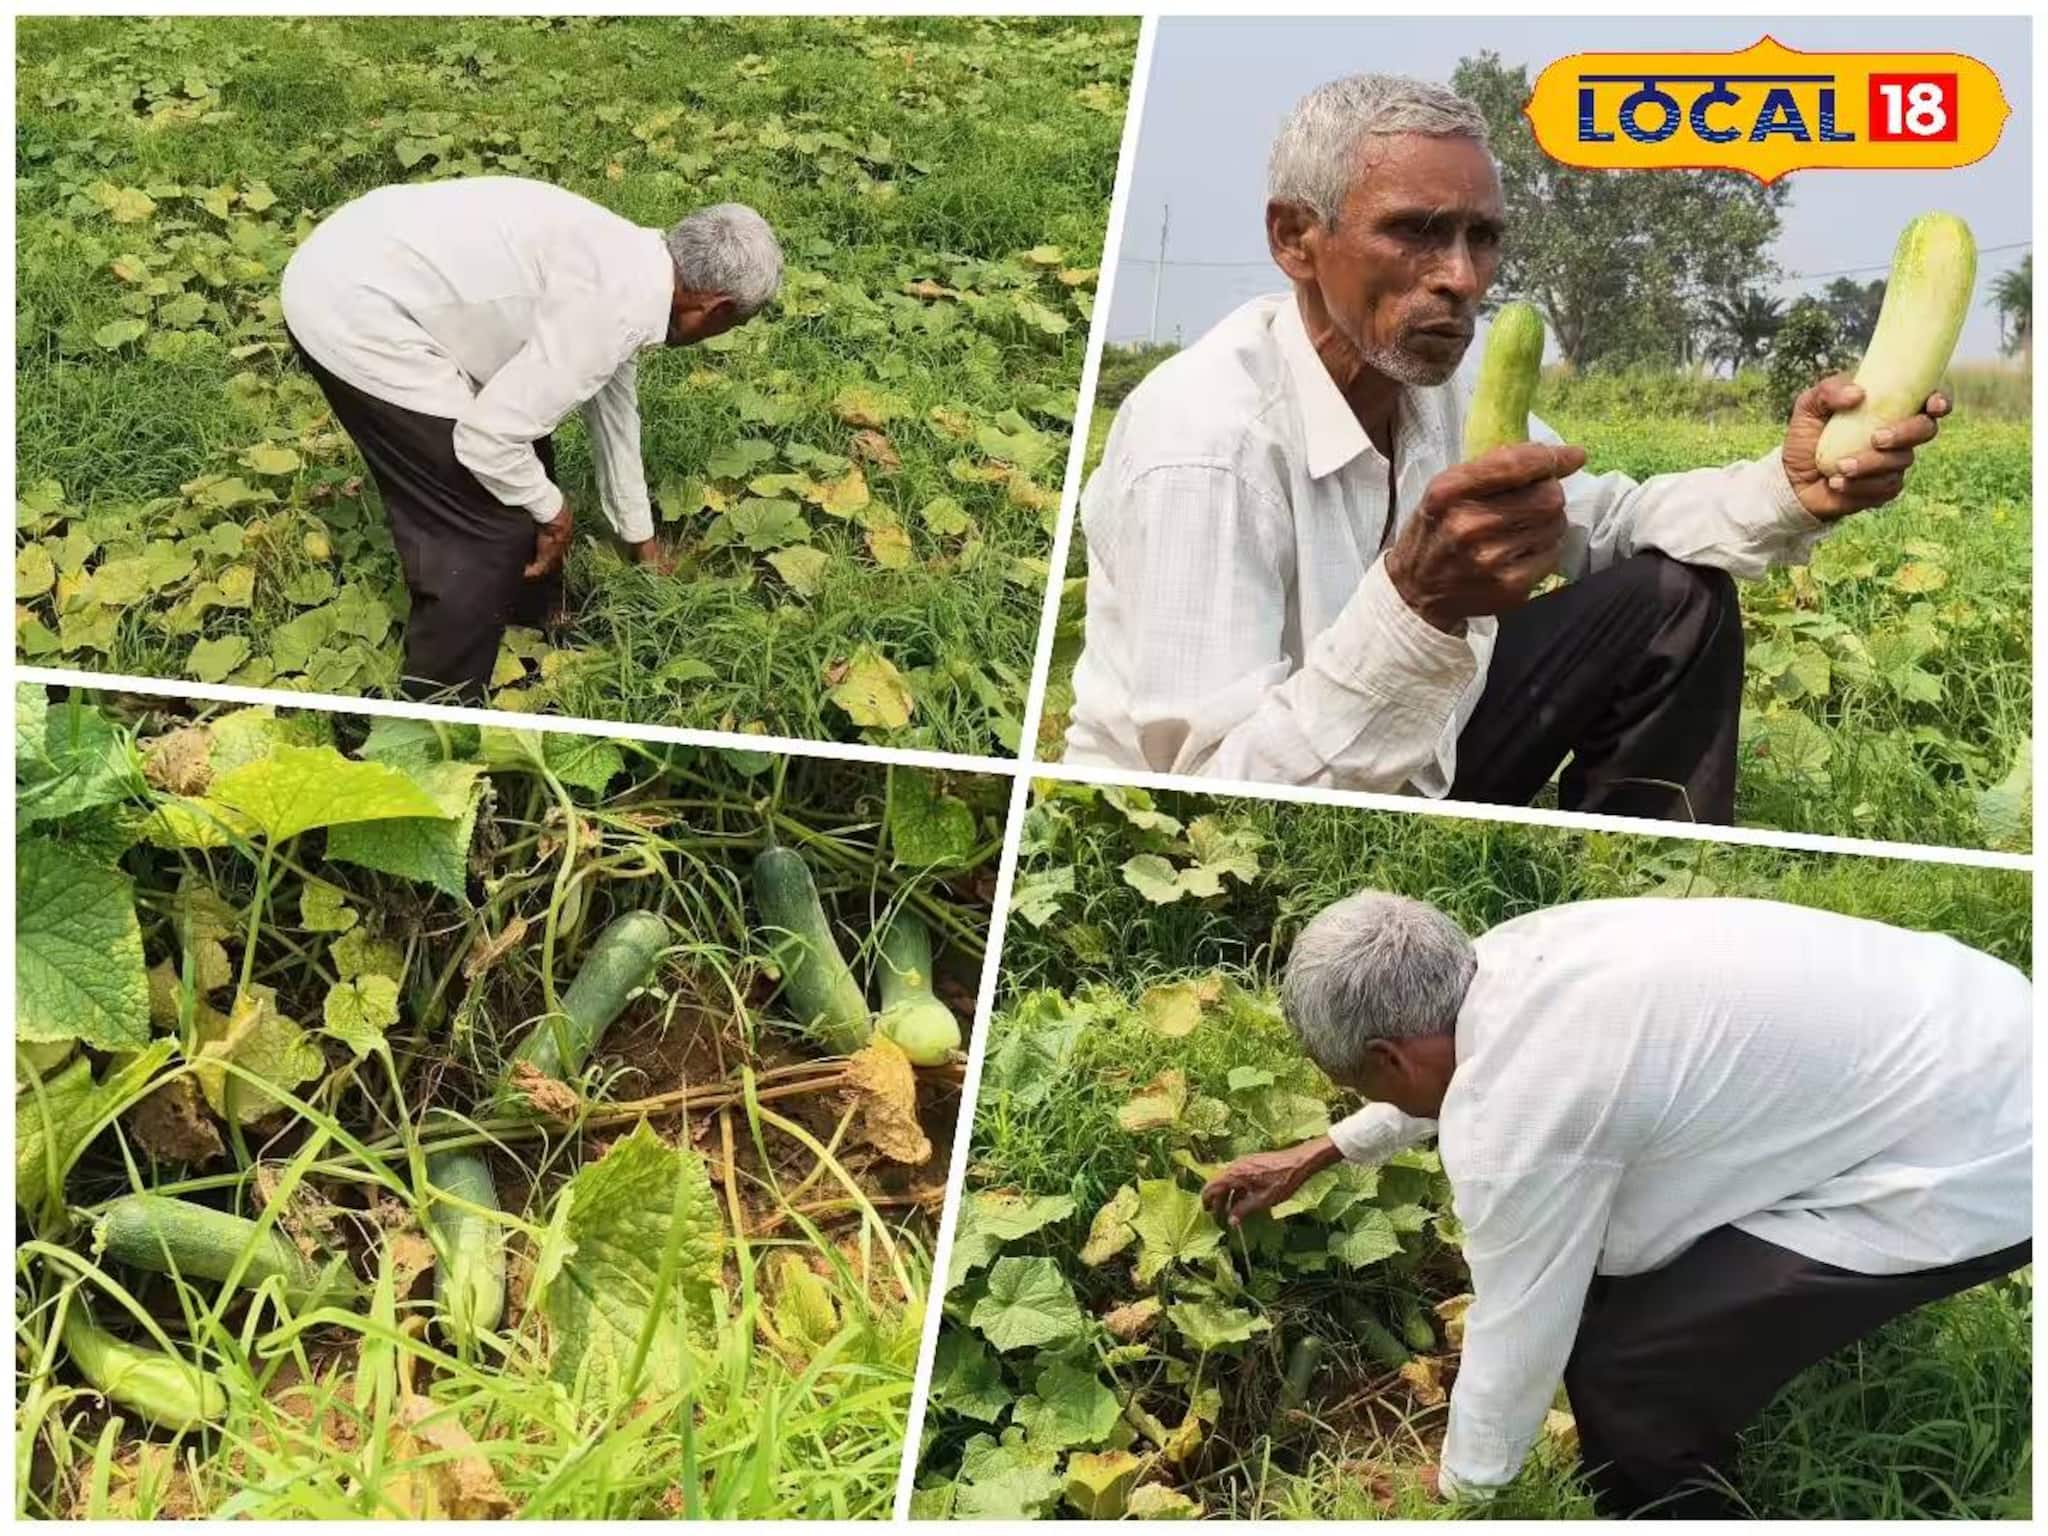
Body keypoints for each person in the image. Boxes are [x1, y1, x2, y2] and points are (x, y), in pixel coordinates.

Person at [1065, 75, 1950, 823]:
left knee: (1675, 597)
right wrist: (1414, 604)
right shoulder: (1205, 444)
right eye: (1414, 231)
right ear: (1297, 238)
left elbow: (1607, 520)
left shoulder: (1437, 386)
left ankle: (1637, 866)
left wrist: (1790, 488)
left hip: (1425, 751)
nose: (1461, 278)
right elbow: (1200, 803)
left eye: (1481, 237)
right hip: (1250, 820)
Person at [1201, 891, 2031, 1516]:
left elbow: (1520, 1322)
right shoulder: (1508, 960)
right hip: (1980, 1016)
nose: (1358, 1096)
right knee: (1639, 1281)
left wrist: (1457, 1486)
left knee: (1626, 1369)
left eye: (1353, 1084)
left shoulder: (1518, 1119)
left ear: (1387, 1053)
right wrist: (1326, 1148)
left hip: (1985, 1152)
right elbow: (1460, 1075)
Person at [280, 178, 783, 702]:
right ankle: (435, 724)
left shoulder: (633, 265)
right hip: (351, 307)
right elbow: (486, 441)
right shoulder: (610, 310)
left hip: (370, 252)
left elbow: (614, 414)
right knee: (484, 525)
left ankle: (530, 618)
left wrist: (642, 543)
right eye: (734, 325)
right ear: (718, 310)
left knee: (521, 468)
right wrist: (554, 512)